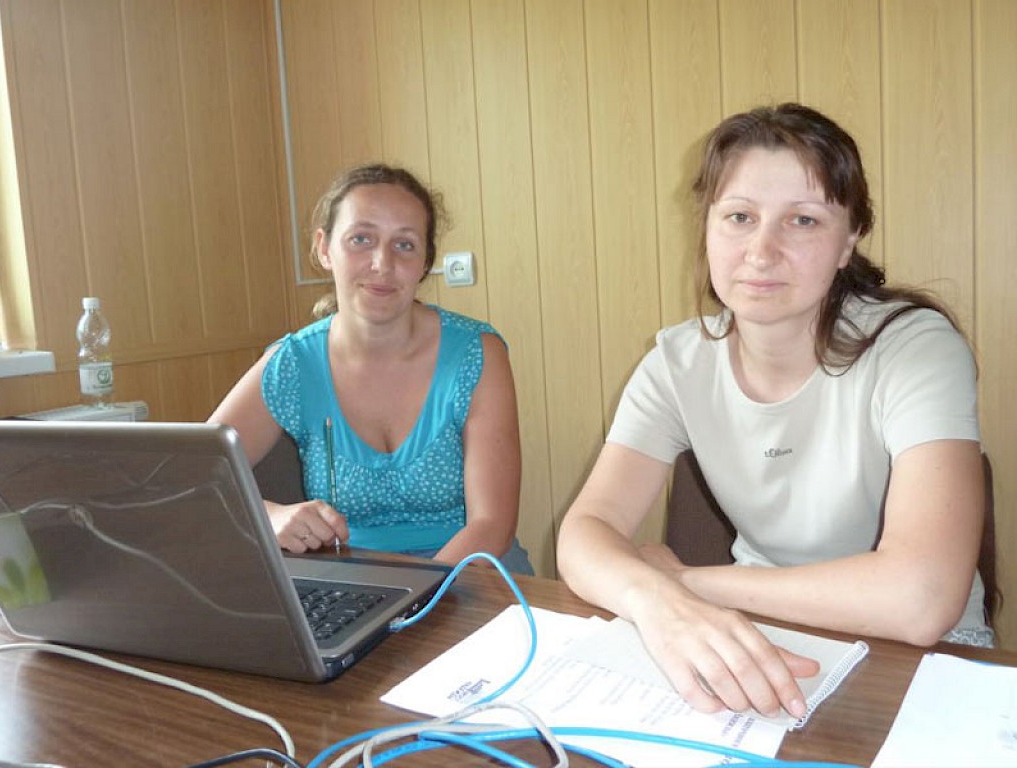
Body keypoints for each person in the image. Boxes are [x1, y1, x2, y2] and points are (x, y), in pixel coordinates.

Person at [556, 103, 988, 720]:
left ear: (848, 241)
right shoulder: (676, 363)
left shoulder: (915, 348)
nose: (761, 251)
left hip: (927, 655)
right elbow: (585, 532)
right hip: (755, 629)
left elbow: (922, 600)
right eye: (739, 217)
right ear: (707, 227)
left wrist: (683, 583)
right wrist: (654, 602)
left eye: (803, 221)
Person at [210, 163, 533, 574]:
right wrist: (268, 515)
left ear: (425, 262)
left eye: (405, 245)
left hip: (472, 572)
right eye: (361, 239)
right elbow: (193, 480)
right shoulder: (292, 363)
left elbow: (492, 525)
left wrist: (415, 596)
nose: (382, 263)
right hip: (351, 581)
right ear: (324, 248)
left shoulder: (476, 353)